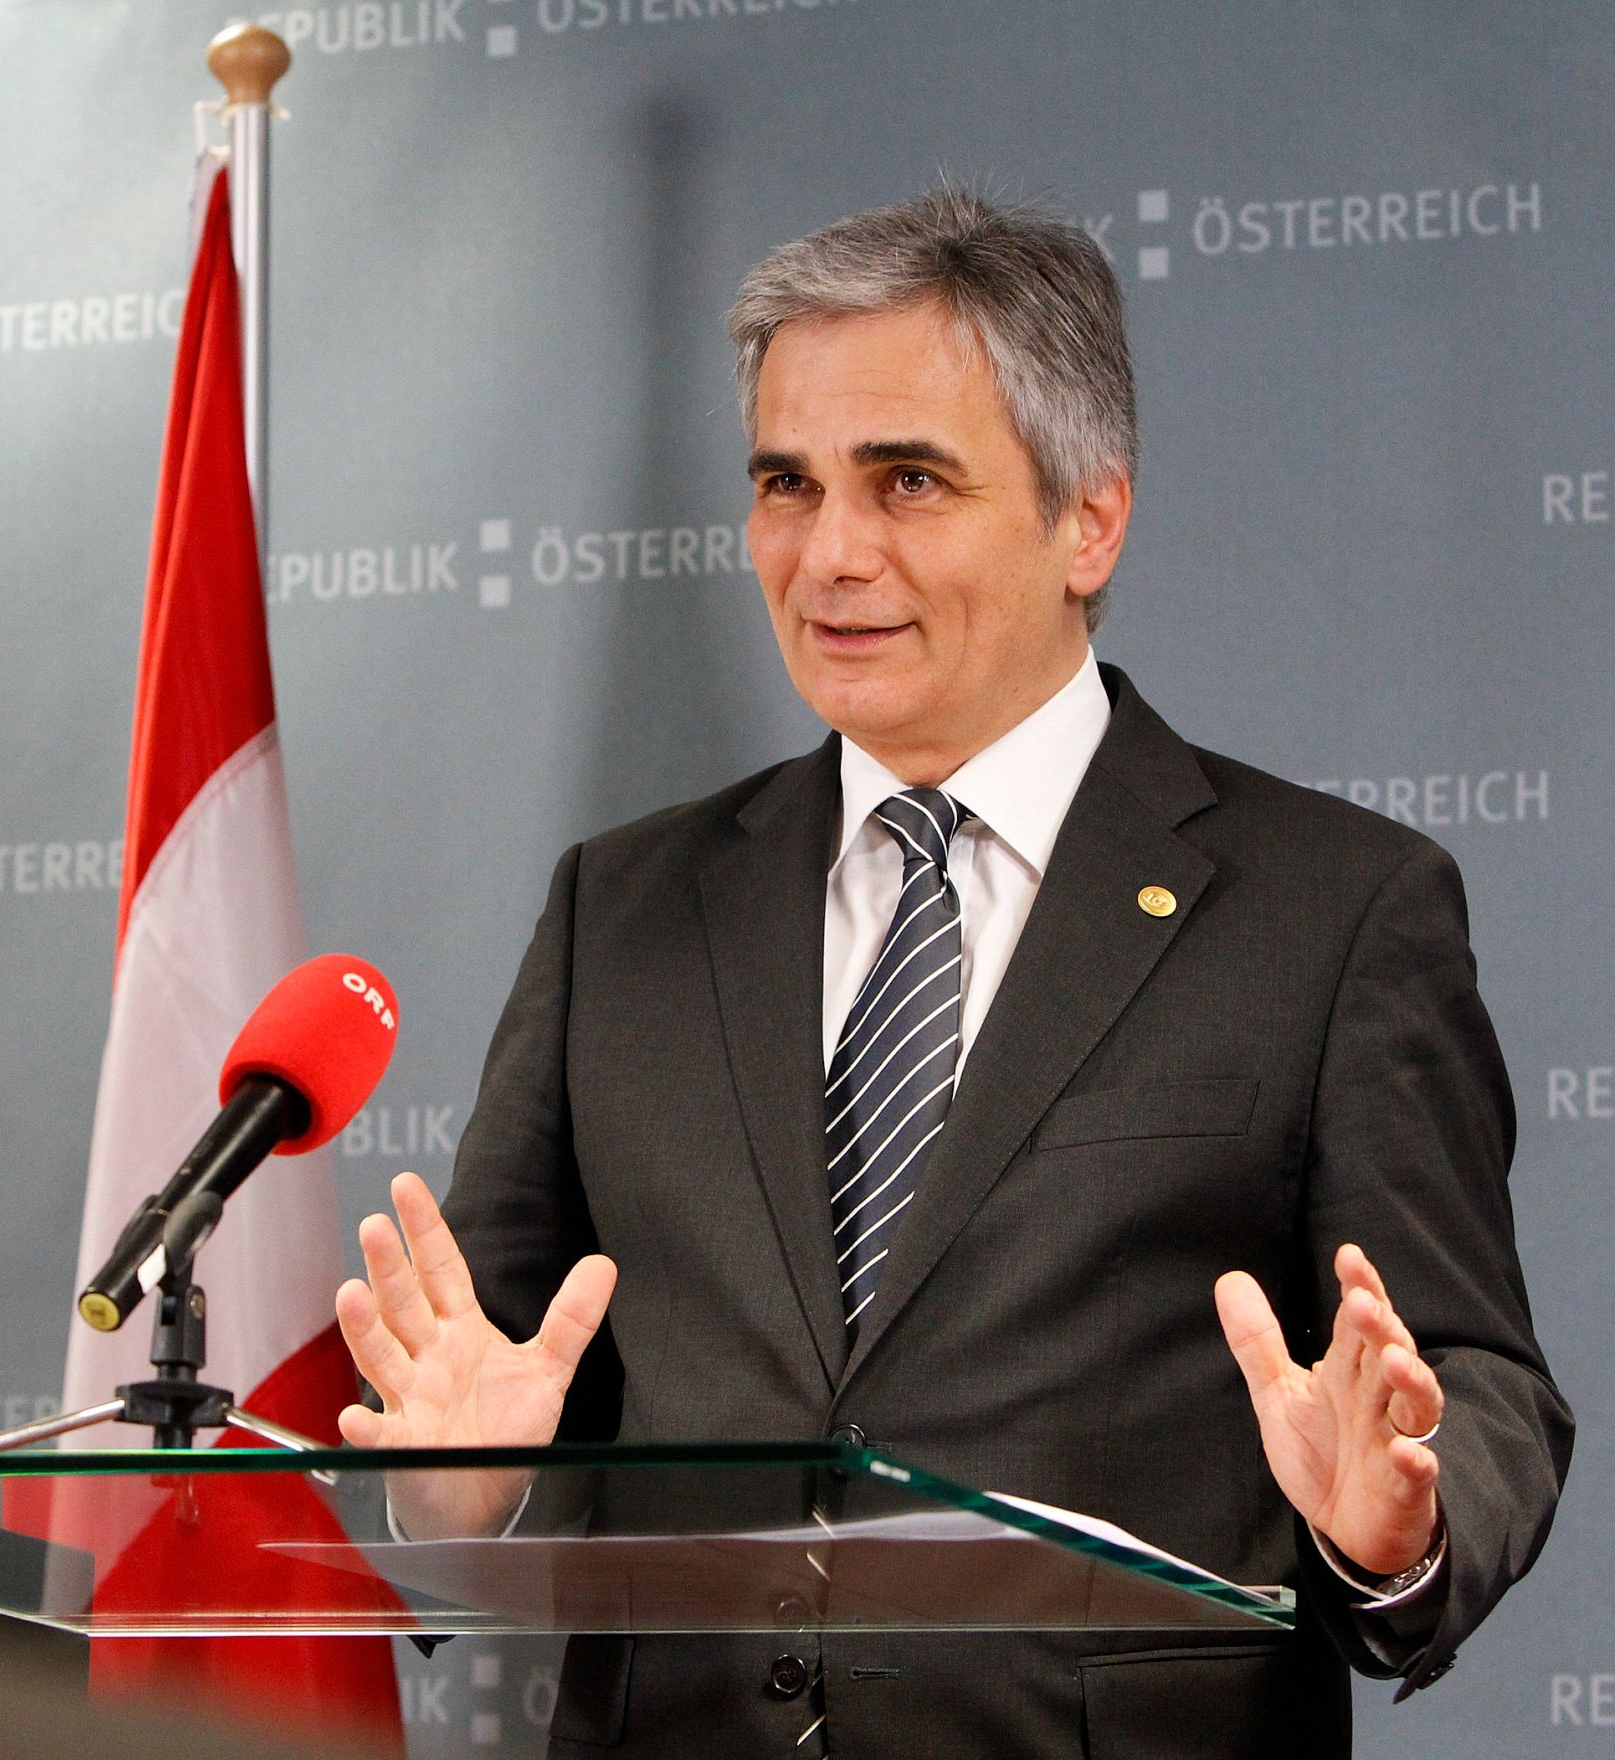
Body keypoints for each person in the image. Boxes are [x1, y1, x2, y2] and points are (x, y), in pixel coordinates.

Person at [334, 190, 1572, 1757]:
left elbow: (1475, 1379)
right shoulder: (623, 908)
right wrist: (454, 1491)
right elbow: (493, 1367)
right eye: (788, 484)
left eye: (905, 480)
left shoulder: (1337, 910)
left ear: (1088, 520)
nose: (831, 553)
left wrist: (1393, 1521)